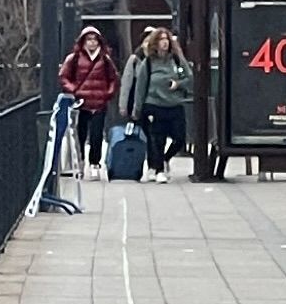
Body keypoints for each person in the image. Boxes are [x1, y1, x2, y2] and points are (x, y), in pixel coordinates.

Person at [46, 25, 119, 210]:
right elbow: (64, 77)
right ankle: (80, 162)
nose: (92, 43)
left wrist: (106, 94)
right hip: (81, 103)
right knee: (80, 134)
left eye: (95, 40)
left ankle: (94, 163)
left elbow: (113, 79)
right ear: (83, 42)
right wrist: (75, 91)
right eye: (89, 40)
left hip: (99, 103)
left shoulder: (105, 59)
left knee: (96, 135)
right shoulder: (75, 58)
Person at [131, 26, 195, 176]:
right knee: (157, 139)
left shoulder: (177, 61)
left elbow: (189, 77)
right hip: (154, 105)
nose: (164, 43)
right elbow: (141, 87)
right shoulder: (148, 63)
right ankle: (159, 170)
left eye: (167, 39)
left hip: (174, 104)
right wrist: (137, 108)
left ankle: (165, 159)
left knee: (179, 138)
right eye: (161, 40)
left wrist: (178, 84)